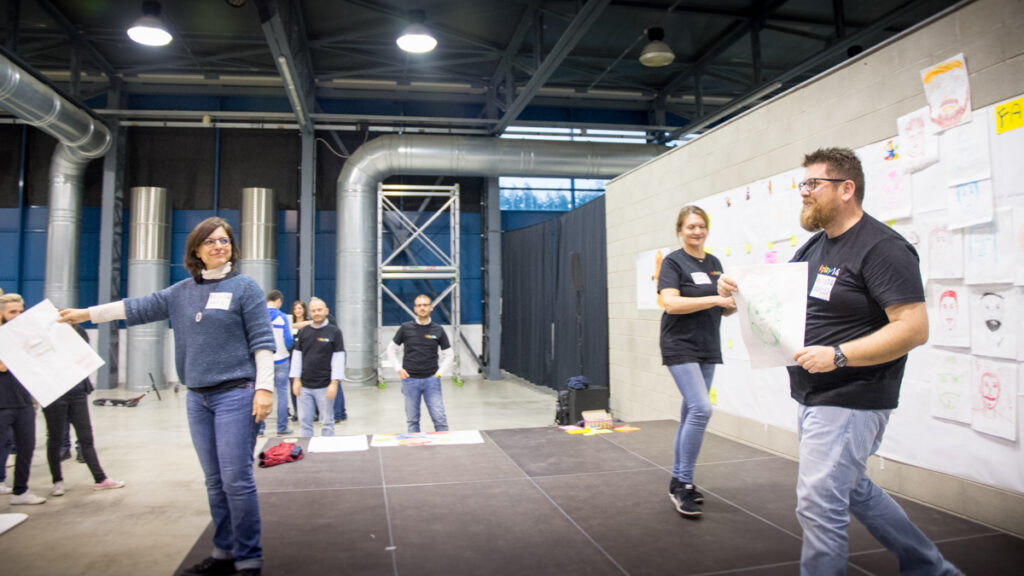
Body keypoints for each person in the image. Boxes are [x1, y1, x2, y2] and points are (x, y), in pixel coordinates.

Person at [718, 147, 959, 575]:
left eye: (813, 184)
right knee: (854, 490)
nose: (804, 193)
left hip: (851, 395)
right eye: (803, 184)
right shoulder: (815, 247)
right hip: (815, 395)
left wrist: (840, 355)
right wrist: (736, 294)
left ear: (847, 189)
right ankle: (931, 569)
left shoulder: (883, 248)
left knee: (818, 505)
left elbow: (913, 328)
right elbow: (777, 304)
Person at [61, 216, 275, 576]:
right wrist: (84, 314)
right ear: (196, 250)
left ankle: (249, 560)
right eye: (210, 242)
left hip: (236, 395)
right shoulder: (180, 292)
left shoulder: (246, 288)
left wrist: (265, 388)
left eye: (224, 240)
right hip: (197, 398)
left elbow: (262, 341)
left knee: (236, 480)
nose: (219, 246)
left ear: (232, 247)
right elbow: (135, 307)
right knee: (214, 481)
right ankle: (224, 554)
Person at [657, 206, 735, 518]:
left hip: (707, 345)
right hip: (679, 344)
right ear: (680, 230)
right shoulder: (674, 262)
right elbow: (671, 303)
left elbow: (723, 308)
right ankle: (684, 484)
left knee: (691, 411)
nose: (697, 231)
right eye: (690, 227)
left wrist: (735, 302)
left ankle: (679, 480)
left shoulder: (714, 263)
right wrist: (715, 299)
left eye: (701, 226)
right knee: (702, 409)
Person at [43, 324, 125, 496]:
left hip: (77, 390)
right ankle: (57, 481)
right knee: (55, 438)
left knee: (86, 436)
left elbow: (84, 354)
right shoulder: (43, 338)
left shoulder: (78, 331)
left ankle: (100, 478)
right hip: (53, 392)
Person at [0, 293, 47, 504]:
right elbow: (3, 366)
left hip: (24, 402)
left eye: (20, 312)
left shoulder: (24, 338)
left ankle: (21, 492)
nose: (18, 316)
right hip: (2, 404)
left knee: (26, 448)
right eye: (12, 312)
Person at [385, 294, 454, 433]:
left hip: (431, 381)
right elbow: (391, 350)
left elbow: (449, 354)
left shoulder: (438, 330)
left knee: (440, 419)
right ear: (415, 309)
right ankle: (414, 451)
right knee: (412, 421)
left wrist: (438, 374)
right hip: (410, 380)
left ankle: (445, 450)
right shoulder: (405, 328)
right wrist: (399, 369)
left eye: (425, 305)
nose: (422, 308)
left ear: (431, 308)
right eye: (419, 305)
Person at [289, 297, 345, 437]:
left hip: (325, 386)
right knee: (305, 423)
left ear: (326, 311)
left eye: (319, 310)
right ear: (310, 312)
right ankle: (307, 455)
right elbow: (297, 356)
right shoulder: (304, 332)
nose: (316, 313)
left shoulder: (334, 332)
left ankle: (326, 453)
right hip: (304, 387)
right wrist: (296, 380)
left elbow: (338, 358)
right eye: (313, 311)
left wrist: (334, 383)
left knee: (327, 422)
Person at [260, 290, 293, 437]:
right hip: (281, 359)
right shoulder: (282, 317)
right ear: (279, 301)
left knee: (261, 391)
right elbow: (289, 341)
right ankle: (281, 427)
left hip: (263, 361)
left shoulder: (259, 316)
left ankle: (260, 428)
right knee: (282, 393)